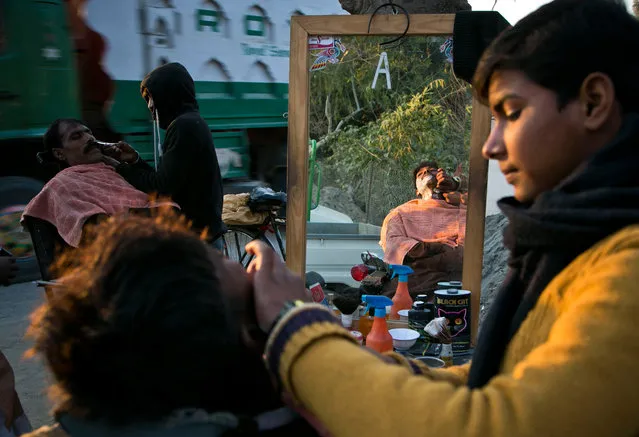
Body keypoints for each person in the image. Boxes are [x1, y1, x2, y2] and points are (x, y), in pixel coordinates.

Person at [245, 1, 639, 435]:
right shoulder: (569, 246)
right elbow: (491, 379)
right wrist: (365, 366)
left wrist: (296, 331)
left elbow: (493, 423)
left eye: (510, 112)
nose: (489, 147)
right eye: (492, 120)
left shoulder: (627, 270)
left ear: (593, 102)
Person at [22, 209, 319, 437]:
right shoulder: (328, 417)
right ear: (253, 337)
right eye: (226, 262)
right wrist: (301, 323)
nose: (255, 272)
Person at [104, 62, 226, 247]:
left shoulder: (183, 127)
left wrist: (120, 168)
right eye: (147, 100)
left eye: (152, 97)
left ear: (170, 94)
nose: (150, 106)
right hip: (202, 231)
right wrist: (135, 160)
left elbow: (162, 187)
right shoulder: (191, 121)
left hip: (196, 237)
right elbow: (168, 177)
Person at [23, 119, 176, 250]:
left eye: (89, 132)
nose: (89, 138)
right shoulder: (61, 185)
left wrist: (133, 161)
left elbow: (159, 190)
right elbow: (100, 232)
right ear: (59, 153)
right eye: (77, 136)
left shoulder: (114, 169)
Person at [379, 161, 466, 299]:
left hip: (453, 270)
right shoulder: (401, 213)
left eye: (432, 170)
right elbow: (394, 242)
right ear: (417, 191)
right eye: (420, 174)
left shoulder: (462, 207)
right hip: (417, 270)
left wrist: (458, 189)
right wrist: (433, 246)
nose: (426, 173)